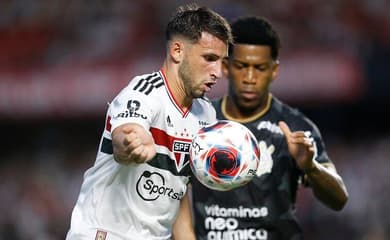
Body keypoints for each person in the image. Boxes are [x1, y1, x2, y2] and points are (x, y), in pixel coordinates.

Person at [66, 4, 232, 240]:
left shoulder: (206, 116)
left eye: (221, 61)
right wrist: (134, 144)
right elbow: (124, 137)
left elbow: (179, 189)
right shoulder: (143, 92)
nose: (217, 72)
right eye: (209, 58)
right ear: (177, 51)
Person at [190, 16, 349, 240]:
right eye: (241, 66)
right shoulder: (198, 122)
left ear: (274, 71)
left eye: (260, 68)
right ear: (225, 67)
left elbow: (339, 199)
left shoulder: (295, 127)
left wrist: (310, 167)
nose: (250, 77)